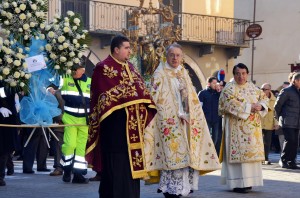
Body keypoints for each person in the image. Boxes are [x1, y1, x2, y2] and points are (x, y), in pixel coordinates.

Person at [144, 43, 220, 198]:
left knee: (187, 154)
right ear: (167, 56)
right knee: (172, 154)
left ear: (182, 57)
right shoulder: (160, 73)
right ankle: (171, 189)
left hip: (186, 120)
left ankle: (185, 187)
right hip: (169, 121)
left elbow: (191, 95)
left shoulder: (183, 72)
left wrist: (191, 111)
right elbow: (152, 96)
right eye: (172, 55)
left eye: (178, 55)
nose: (175, 58)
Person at [86, 35, 157, 198]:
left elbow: (141, 91)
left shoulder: (131, 67)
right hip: (114, 129)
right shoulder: (103, 68)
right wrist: (131, 94)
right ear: (116, 49)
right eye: (126, 48)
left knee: (131, 169)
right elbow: (103, 99)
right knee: (115, 170)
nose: (130, 51)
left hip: (133, 129)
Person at [219, 63, 269, 193]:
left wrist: (261, 106)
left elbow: (264, 99)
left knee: (250, 157)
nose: (241, 76)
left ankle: (250, 182)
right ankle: (238, 183)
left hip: (253, 130)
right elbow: (228, 104)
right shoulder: (228, 89)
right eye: (238, 73)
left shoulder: (254, 88)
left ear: (247, 74)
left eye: (243, 73)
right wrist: (249, 107)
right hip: (236, 129)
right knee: (239, 159)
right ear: (234, 74)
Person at [60, 61, 91, 183]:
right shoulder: (65, 79)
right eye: (72, 69)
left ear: (82, 70)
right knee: (70, 145)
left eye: (76, 69)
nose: (73, 71)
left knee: (80, 149)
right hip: (70, 119)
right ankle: (67, 169)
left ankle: (78, 175)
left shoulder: (90, 82)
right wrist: (50, 88)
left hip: (84, 120)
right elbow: (52, 85)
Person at [274, 72, 300, 169]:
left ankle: (292, 162)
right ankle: (283, 160)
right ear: (296, 81)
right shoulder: (286, 90)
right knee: (289, 140)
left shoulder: (298, 91)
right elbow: (277, 105)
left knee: (295, 142)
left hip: (297, 121)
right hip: (287, 121)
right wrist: (280, 118)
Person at [0, 83, 18, 186]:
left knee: (6, 149)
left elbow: (10, 95)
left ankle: (1, 175)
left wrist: (16, 102)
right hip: (2, 116)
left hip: (9, 118)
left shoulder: (8, 83)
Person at [198, 76, 221, 150]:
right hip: (206, 119)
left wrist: (219, 92)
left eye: (216, 83)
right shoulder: (203, 93)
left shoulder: (218, 94)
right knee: (206, 138)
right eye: (213, 83)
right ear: (209, 83)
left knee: (215, 139)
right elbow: (199, 106)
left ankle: (211, 154)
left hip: (216, 120)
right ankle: (205, 153)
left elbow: (223, 102)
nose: (215, 85)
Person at [47, 86, 64, 176]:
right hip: (60, 124)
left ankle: (73, 168)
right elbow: (53, 109)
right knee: (59, 147)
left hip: (75, 124)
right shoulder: (57, 94)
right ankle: (58, 167)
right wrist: (62, 118)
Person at [261, 83, 278, 165]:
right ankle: (259, 158)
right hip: (259, 123)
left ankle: (266, 158)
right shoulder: (258, 98)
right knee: (259, 142)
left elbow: (276, 113)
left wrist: (276, 123)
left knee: (267, 143)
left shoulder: (274, 100)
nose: (263, 91)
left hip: (269, 123)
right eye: (262, 89)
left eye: (265, 89)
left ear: (269, 90)